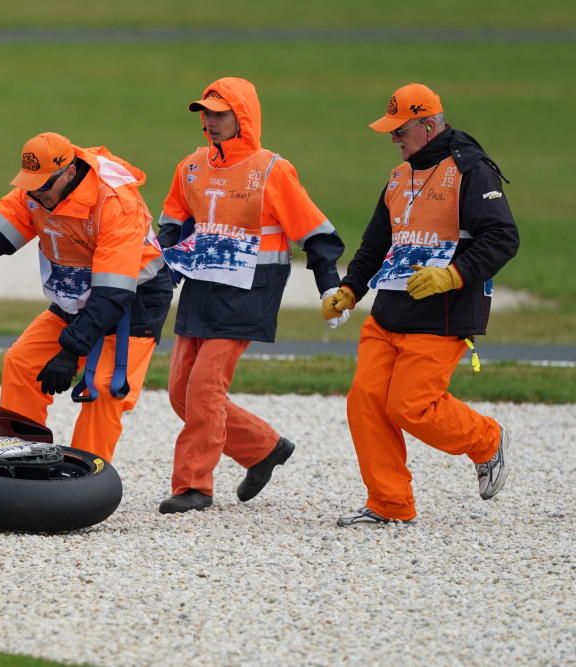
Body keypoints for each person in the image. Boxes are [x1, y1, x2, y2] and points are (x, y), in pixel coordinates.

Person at [323, 83, 519, 526]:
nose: (394, 140)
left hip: (442, 315)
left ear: (429, 125)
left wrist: (454, 274)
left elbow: (502, 238)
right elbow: (375, 245)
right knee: (366, 402)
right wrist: (350, 291)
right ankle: (389, 504)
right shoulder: (398, 176)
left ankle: (487, 440)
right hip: (389, 314)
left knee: (411, 406)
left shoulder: (471, 169)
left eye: (400, 131)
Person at [0, 132, 172, 462]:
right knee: (21, 363)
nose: (35, 192)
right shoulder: (37, 190)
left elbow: (113, 292)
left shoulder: (115, 204)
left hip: (131, 304)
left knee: (103, 390)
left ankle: (87, 476)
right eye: (29, 184)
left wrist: (70, 351)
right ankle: (17, 459)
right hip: (77, 296)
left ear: (68, 172)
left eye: (42, 185)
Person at [156, 77, 346, 514]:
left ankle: (194, 486)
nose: (211, 121)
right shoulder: (189, 167)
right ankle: (263, 448)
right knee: (180, 392)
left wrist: (330, 286)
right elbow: (172, 229)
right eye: (206, 112)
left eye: (220, 113)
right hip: (202, 291)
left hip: (248, 294)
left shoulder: (272, 170)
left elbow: (316, 234)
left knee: (204, 390)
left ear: (243, 117)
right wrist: (158, 278)